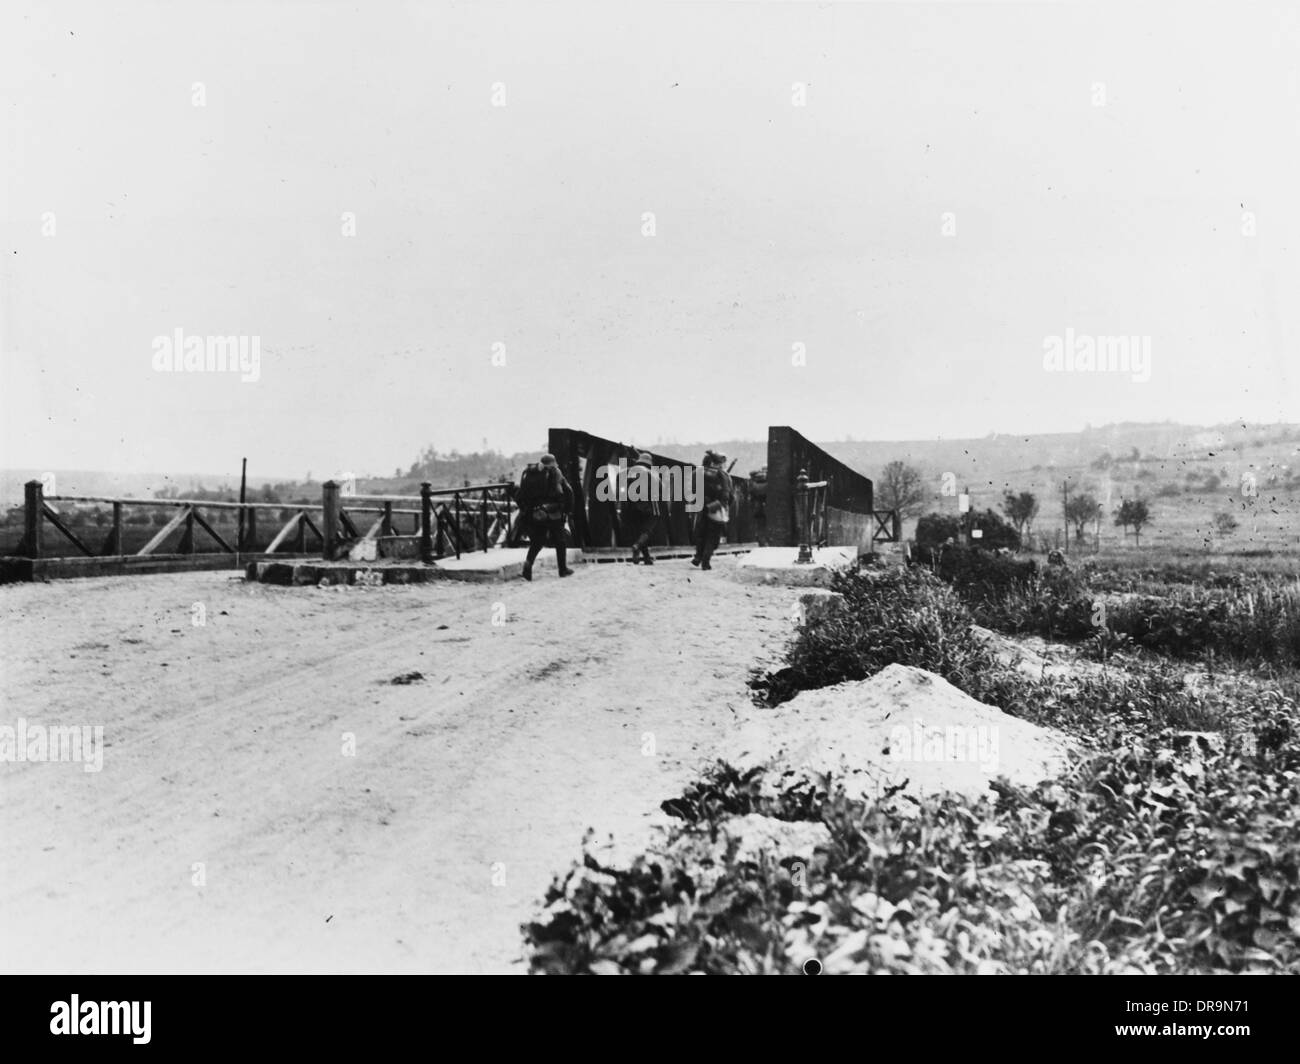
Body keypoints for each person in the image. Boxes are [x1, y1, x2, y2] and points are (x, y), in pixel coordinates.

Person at [515, 454, 575, 580]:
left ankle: (528, 564)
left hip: (536, 513)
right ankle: (562, 569)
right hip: (552, 512)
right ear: (553, 463)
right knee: (560, 540)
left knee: (537, 541)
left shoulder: (529, 472)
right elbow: (567, 491)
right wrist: (567, 510)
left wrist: (527, 510)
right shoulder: (555, 472)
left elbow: (519, 496)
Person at [691, 450, 733, 570]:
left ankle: (698, 557)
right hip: (716, 509)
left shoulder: (697, 472)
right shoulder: (724, 476)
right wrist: (722, 506)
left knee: (701, 534)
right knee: (713, 537)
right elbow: (727, 496)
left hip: (701, 507)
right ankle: (706, 561)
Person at [620, 451, 663, 565]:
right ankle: (637, 545)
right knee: (648, 530)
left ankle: (646, 558)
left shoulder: (627, 472)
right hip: (649, 506)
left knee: (641, 531)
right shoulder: (652, 473)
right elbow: (660, 489)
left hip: (632, 506)